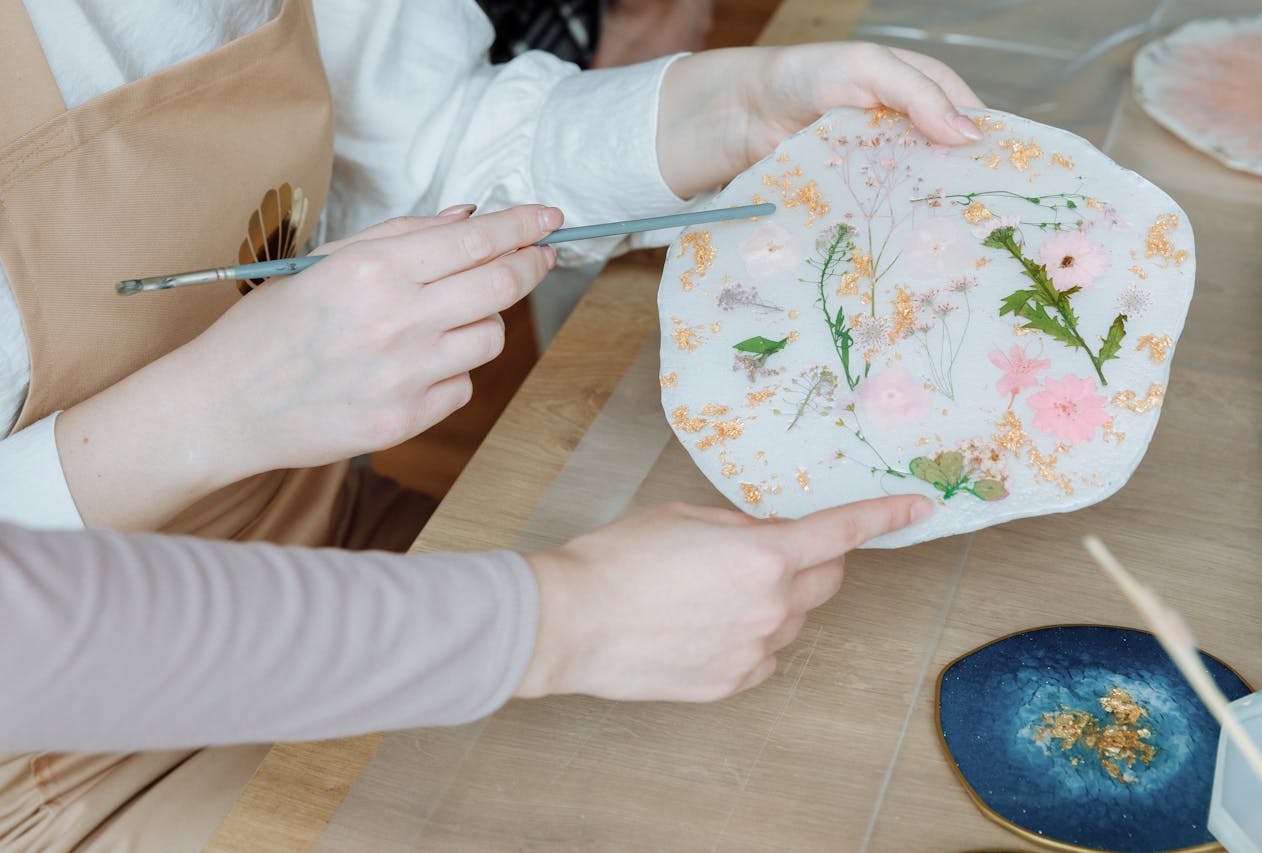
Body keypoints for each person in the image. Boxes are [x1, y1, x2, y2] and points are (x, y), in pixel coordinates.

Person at [0, 0, 984, 847]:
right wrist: (215, 408)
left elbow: (433, 143)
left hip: (339, 552)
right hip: (65, 767)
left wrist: (725, 107)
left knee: (838, 726)